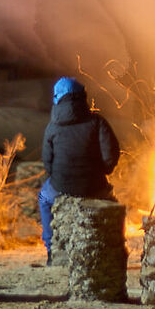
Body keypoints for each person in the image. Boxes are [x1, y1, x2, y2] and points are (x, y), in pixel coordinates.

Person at [40, 75, 120, 262]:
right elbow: (111, 154)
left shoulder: (52, 126)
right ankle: (112, 251)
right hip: (95, 187)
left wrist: (59, 176)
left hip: (61, 186)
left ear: (58, 98)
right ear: (82, 96)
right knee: (114, 205)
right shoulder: (97, 122)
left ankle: (51, 249)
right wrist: (103, 172)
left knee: (44, 198)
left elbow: (47, 161)